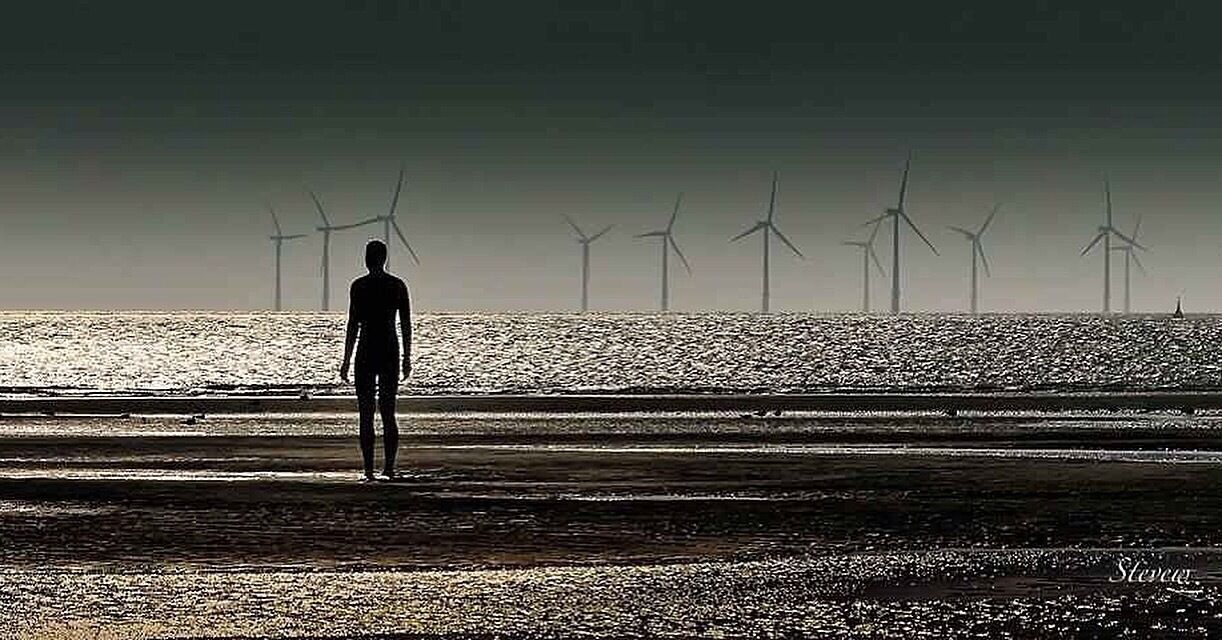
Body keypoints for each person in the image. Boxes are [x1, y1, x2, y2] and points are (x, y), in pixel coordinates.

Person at [340, 240, 411, 481]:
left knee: (366, 412)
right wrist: (406, 357)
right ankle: (388, 467)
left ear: (368, 259)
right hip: (390, 349)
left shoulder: (359, 287)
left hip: (367, 350)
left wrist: (346, 359)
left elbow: (353, 325)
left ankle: (369, 469)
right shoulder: (398, 286)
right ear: (384, 258)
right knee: (388, 411)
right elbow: (406, 325)